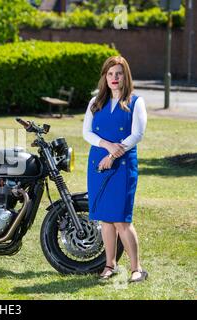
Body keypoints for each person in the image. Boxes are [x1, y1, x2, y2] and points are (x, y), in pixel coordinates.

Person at [83, 56, 148, 283]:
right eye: (110, 74)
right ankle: (110, 265)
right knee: (104, 219)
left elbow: (137, 134)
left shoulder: (136, 101)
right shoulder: (95, 102)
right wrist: (106, 146)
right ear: (104, 77)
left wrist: (112, 155)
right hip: (97, 165)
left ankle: (137, 268)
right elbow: (87, 133)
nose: (114, 78)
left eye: (118, 73)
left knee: (121, 219)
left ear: (125, 76)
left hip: (122, 165)